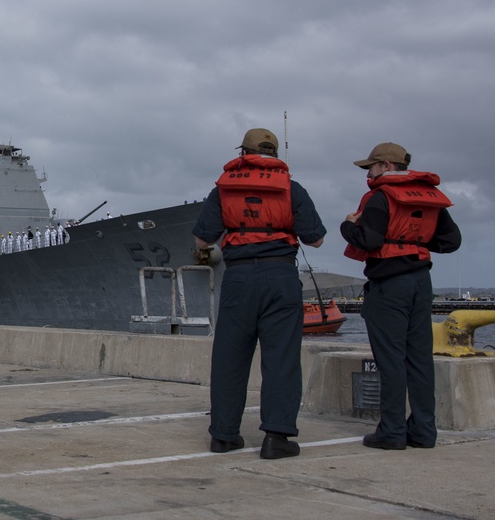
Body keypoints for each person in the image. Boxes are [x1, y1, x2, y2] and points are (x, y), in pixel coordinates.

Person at [193, 128, 326, 459]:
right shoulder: (292, 188)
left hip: (238, 278)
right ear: (275, 155)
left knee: (229, 358)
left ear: (243, 153)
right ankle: (276, 438)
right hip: (280, 275)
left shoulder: (223, 189)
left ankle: (223, 436)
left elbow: (202, 241)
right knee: (280, 359)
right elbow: (316, 239)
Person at [340, 142, 461, 450]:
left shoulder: (380, 198)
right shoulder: (430, 198)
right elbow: (451, 241)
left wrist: (347, 226)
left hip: (389, 284)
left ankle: (392, 430)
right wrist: (413, 241)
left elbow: (369, 240)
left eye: (372, 166)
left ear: (388, 167)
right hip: (421, 282)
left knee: (390, 358)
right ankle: (423, 430)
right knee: (420, 358)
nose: (368, 172)